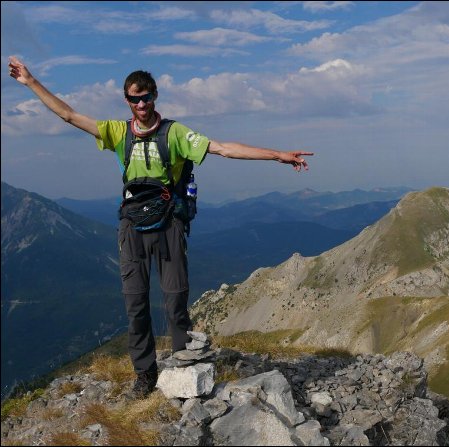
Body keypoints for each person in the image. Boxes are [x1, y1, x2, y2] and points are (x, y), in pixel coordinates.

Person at [7, 56, 313, 397]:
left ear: (155, 96)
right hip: (131, 227)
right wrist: (31, 82)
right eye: (134, 99)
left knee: (175, 302)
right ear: (127, 100)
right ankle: (145, 375)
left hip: (168, 226)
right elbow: (69, 114)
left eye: (146, 97)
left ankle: (185, 365)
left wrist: (278, 155)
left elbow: (224, 148)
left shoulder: (175, 133)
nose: (141, 104)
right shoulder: (118, 132)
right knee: (135, 306)